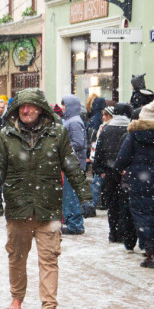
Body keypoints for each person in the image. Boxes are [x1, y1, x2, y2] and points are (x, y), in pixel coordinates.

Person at [0, 88, 92, 309]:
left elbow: (70, 165)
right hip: (18, 207)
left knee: (49, 258)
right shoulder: (7, 135)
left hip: (48, 205)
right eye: (22, 107)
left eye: (31, 106)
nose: (26, 111)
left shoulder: (57, 134)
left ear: (41, 109)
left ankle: (49, 307)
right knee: (17, 256)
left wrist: (85, 196)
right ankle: (17, 297)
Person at [113, 100, 154, 268]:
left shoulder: (133, 137)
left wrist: (122, 169)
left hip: (139, 182)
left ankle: (150, 254)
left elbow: (121, 160)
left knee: (142, 217)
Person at [93, 103, 135, 249]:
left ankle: (114, 233)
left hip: (110, 172)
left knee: (113, 204)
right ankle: (125, 232)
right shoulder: (130, 129)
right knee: (125, 203)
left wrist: (100, 169)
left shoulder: (106, 130)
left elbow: (99, 152)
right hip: (126, 172)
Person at [59, 95, 88, 235]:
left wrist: (62, 147)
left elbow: (78, 142)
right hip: (71, 163)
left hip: (73, 165)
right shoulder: (72, 120)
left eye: (64, 105)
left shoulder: (74, 122)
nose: (62, 107)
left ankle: (75, 224)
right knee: (70, 195)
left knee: (71, 196)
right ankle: (73, 222)